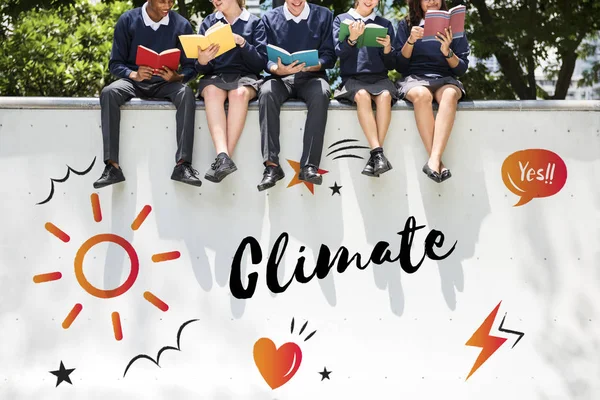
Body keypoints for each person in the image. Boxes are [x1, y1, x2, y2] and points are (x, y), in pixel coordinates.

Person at [94, 0, 202, 189]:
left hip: (165, 84)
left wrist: (177, 76)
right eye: (163, 1)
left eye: (172, 1)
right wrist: (133, 74)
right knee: (109, 92)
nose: (168, 5)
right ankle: (112, 167)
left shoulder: (182, 25)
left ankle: (183, 165)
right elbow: (115, 64)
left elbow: (191, 68)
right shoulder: (127, 20)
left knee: (186, 93)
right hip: (134, 83)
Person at [257, 0, 336, 192]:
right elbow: (263, 57)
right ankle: (271, 166)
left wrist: (317, 64)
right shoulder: (268, 18)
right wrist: (277, 68)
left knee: (322, 92)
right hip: (280, 79)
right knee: (266, 92)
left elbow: (330, 55)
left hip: (312, 77)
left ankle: (309, 166)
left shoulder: (324, 15)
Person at [395, 0, 469, 183]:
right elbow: (399, 66)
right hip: (415, 78)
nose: (432, 1)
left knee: (450, 94)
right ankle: (437, 162)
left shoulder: (453, 25)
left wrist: (447, 51)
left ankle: (433, 161)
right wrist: (411, 41)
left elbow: (461, 68)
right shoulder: (406, 25)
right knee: (421, 95)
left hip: (445, 78)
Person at [196, 0, 267, 183]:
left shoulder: (254, 22)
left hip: (245, 77)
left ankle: (224, 159)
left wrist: (242, 43)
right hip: (216, 77)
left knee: (239, 94)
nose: (215, 1)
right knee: (211, 93)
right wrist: (203, 60)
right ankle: (223, 156)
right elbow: (202, 68)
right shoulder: (209, 22)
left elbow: (260, 64)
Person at [333, 0, 398, 178]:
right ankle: (377, 154)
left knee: (385, 96)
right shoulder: (342, 20)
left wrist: (387, 48)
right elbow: (338, 53)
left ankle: (376, 155)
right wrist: (352, 39)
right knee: (362, 95)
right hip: (353, 78)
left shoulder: (384, 24)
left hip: (380, 78)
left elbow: (392, 64)